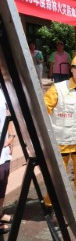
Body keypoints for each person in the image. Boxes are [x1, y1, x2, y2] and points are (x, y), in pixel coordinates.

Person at [43, 55, 76, 220]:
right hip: (61, 141)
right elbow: (44, 111)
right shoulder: (58, 88)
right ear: (71, 68)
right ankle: (50, 205)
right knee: (57, 175)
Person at [0, 89, 15, 234]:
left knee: (2, 182)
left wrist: (12, 135)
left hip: (3, 148)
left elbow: (7, 113)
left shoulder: (2, 90)